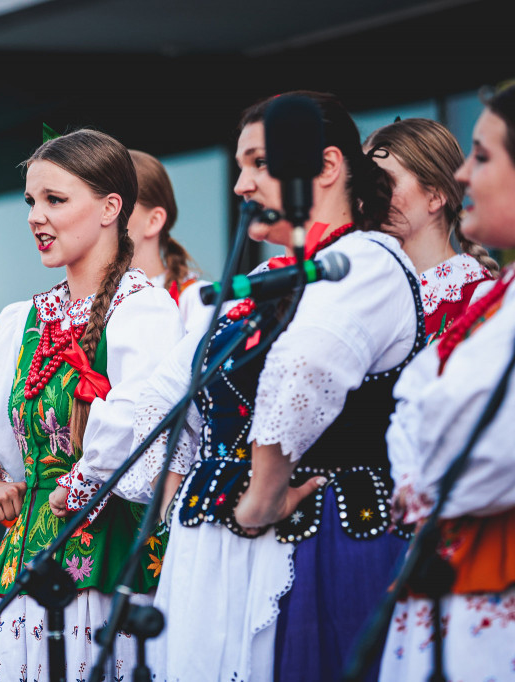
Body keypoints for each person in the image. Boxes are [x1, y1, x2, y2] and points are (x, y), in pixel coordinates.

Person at [136, 91, 424, 681]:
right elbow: (164, 395)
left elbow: (308, 364)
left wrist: (262, 497)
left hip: (314, 540)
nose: (241, 185)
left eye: (259, 164)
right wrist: (176, 501)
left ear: (326, 166)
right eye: (240, 166)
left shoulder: (367, 260)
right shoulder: (263, 282)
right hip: (214, 554)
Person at [0, 129, 182, 680]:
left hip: (109, 572)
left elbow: (145, 419)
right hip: (25, 570)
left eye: (55, 200)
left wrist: (83, 481)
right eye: (30, 201)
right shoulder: (24, 320)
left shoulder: (144, 311)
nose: (35, 216)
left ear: (112, 207)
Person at [379, 82, 515, 682]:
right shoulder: (494, 298)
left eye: (482, 158)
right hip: (422, 531)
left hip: (474, 542)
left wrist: (418, 473)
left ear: (433, 197)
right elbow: (412, 404)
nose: (465, 174)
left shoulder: (473, 293)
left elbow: (468, 428)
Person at [365, 118, 498, 340]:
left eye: (382, 184)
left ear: (435, 197)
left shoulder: (479, 299)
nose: (365, 200)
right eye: (362, 186)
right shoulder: (370, 297)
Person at [127, 150, 210, 333]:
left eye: (120, 204)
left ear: (154, 221)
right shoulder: (84, 304)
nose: (106, 215)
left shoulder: (195, 300)